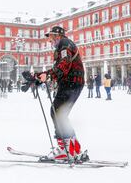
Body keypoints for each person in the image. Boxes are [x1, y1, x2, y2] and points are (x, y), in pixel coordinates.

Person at [35, 26, 85, 162]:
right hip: (72, 83)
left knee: (57, 112)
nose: (50, 41)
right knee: (60, 114)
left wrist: (48, 75)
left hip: (72, 82)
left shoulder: (65, 44)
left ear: (58, 36)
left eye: (51, 37)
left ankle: (64, 150)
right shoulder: (62, 46)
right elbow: (60, 69)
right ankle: (75, 149)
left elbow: (64, 64)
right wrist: (39, 76)